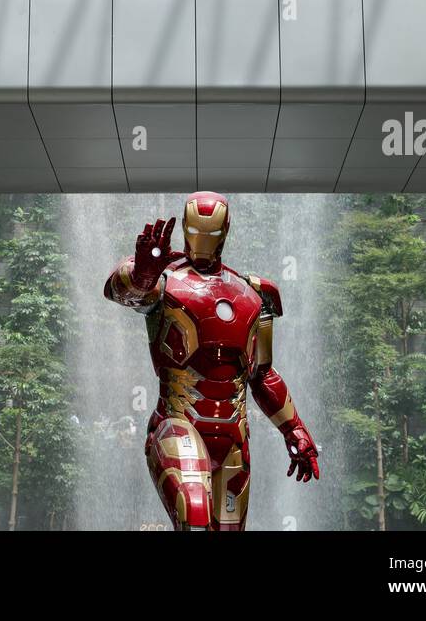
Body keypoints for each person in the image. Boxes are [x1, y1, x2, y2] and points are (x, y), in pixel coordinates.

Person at [104, 190, 319, 531]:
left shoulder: (254, 293)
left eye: (213, 233)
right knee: (195, 513)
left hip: (234, 438)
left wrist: (294, 429)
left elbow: (261, 375)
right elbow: (122, 292)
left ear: (226, 231)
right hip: (178, 426)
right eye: (196, 231)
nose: (203, 240)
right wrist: (144, 272)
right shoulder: (164, 281)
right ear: (186, 229)